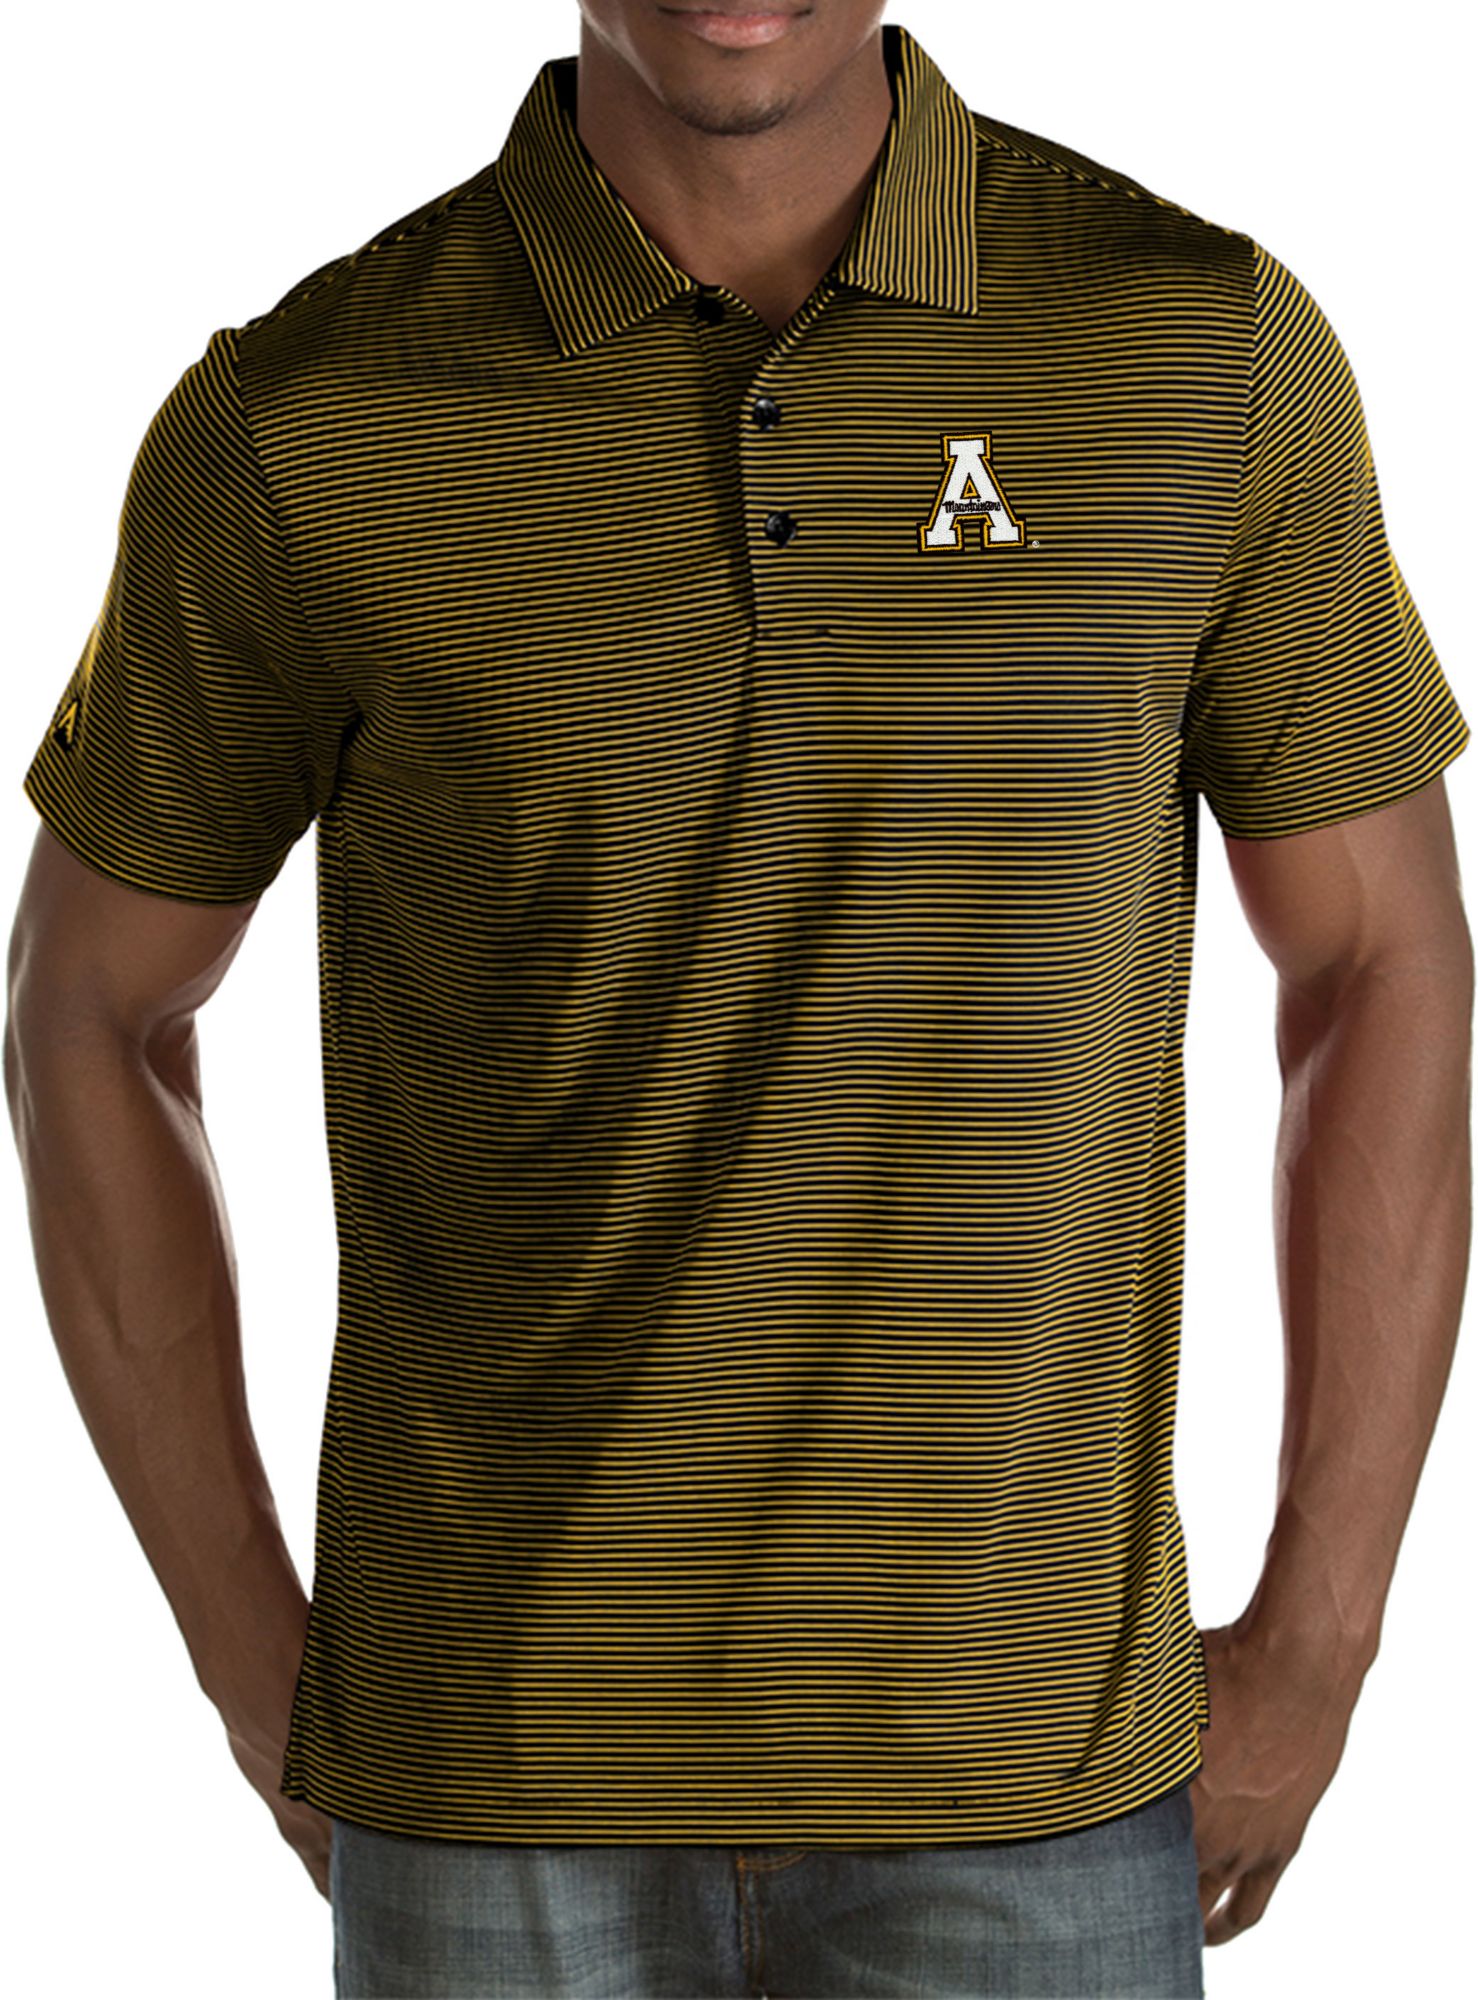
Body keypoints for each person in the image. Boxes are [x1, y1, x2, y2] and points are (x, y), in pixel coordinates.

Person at [6, 3, 1470, 1995]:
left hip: (1027, 1781)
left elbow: (1381, 959)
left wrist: (1321, 1639)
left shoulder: (1193, 353)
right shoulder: (307, 418)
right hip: (487, 1782)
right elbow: (86, 1011)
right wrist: (252, 1661)